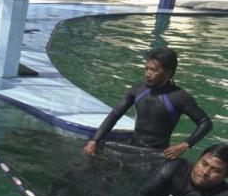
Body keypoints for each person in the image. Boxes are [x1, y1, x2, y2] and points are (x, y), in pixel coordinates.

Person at [82, 48, 212, 158]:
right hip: (132, 145)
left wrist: (184, 145)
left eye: (154, 70)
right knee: (90, 151)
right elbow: (114, 115)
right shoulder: (138, 90)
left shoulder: (179, 97)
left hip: (157, 152)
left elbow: (205, 123)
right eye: (146, 69)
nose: (147, 74)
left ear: (168, 73)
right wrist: (94, 140)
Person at [134, 143, 228, 196]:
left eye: (216, 170)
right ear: (198, 159)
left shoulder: (224, 195)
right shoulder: (176, 167)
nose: (205, 172)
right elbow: (144, 192)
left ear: (225, 176)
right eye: (204, 164)